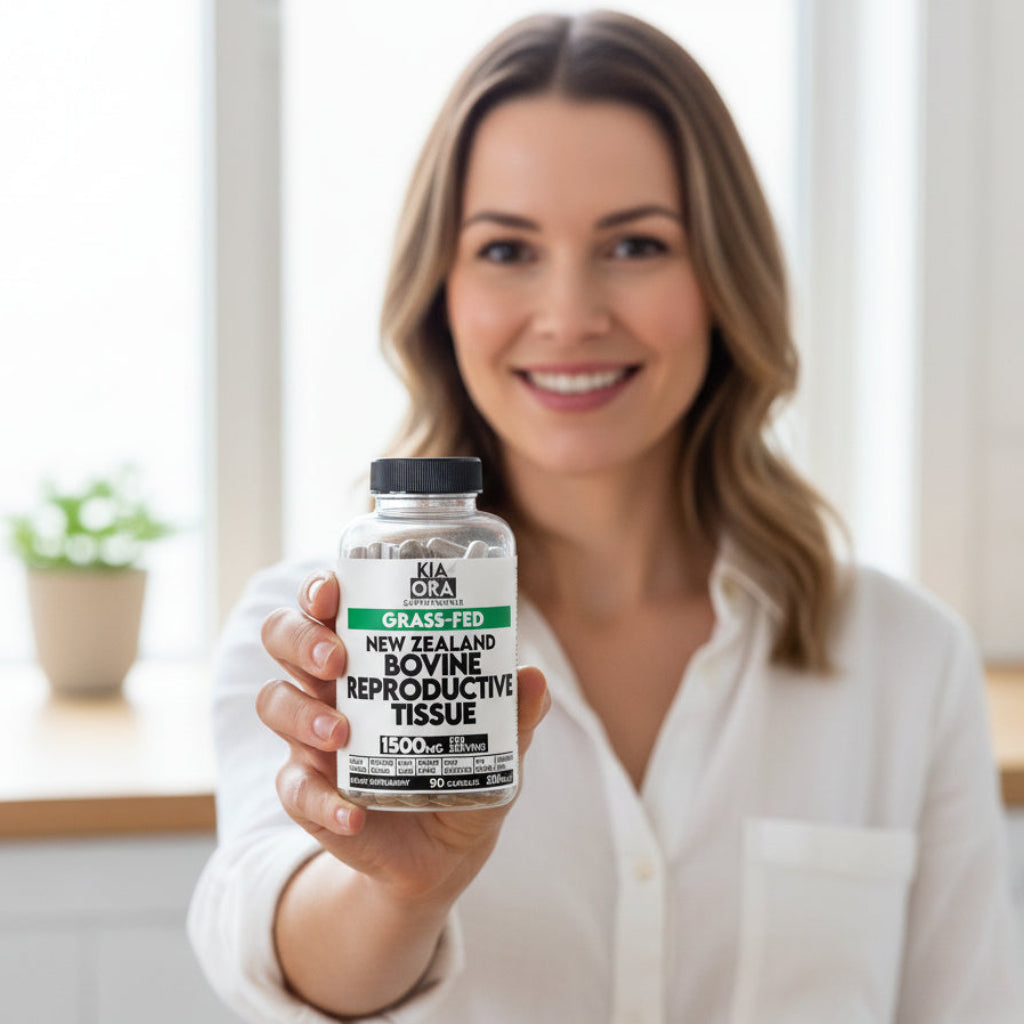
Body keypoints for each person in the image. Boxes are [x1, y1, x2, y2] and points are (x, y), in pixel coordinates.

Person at [188, 10, 1024, 1022]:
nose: (571, 312)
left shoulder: (904, 659)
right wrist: (399, 887)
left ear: (722, 279)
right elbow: (269, 949)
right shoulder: (325, 634)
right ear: (439, 294)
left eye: (634, 243)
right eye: (507, 249)